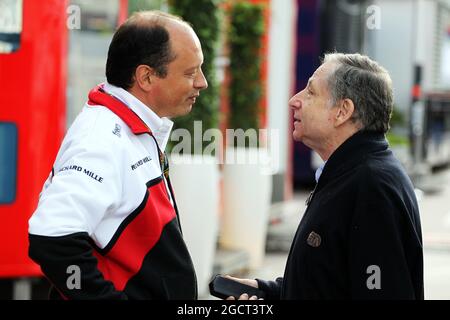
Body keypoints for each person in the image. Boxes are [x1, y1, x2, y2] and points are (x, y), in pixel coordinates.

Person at [28, 11, 208, 300]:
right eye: (190, 72)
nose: (202, 82)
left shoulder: (130, 126)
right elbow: (50, 239)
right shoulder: (101, 140)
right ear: (146, 77)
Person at [226, 53, 424, 300]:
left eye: (310, 92)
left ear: (342, 111)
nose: (294, 100)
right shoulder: (347, 173)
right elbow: (327, 284)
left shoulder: (372, 187)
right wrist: (268, 292)